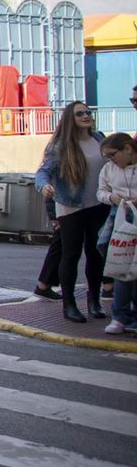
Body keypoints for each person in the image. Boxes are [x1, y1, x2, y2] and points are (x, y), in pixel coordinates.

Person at [35, 101, 109, 323]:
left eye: (87, 112)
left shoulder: (99, 138)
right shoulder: (60, 145)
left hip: (99, 205)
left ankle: (94, 301)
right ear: (70, 118)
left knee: (96, 255)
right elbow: (42, 172)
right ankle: (69, 305)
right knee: (71, 254)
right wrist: (44, 186)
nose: (86, 116)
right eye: (80, 114)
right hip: (71, 207)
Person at [95, 133, 137, 334]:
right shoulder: (109, 169)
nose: (111, 160)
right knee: (121, 266)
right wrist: (112, 197)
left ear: (127, 149)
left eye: (113, 155)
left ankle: (125, 316)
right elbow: (100, 192)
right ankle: (120, 316)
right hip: (119, 215)